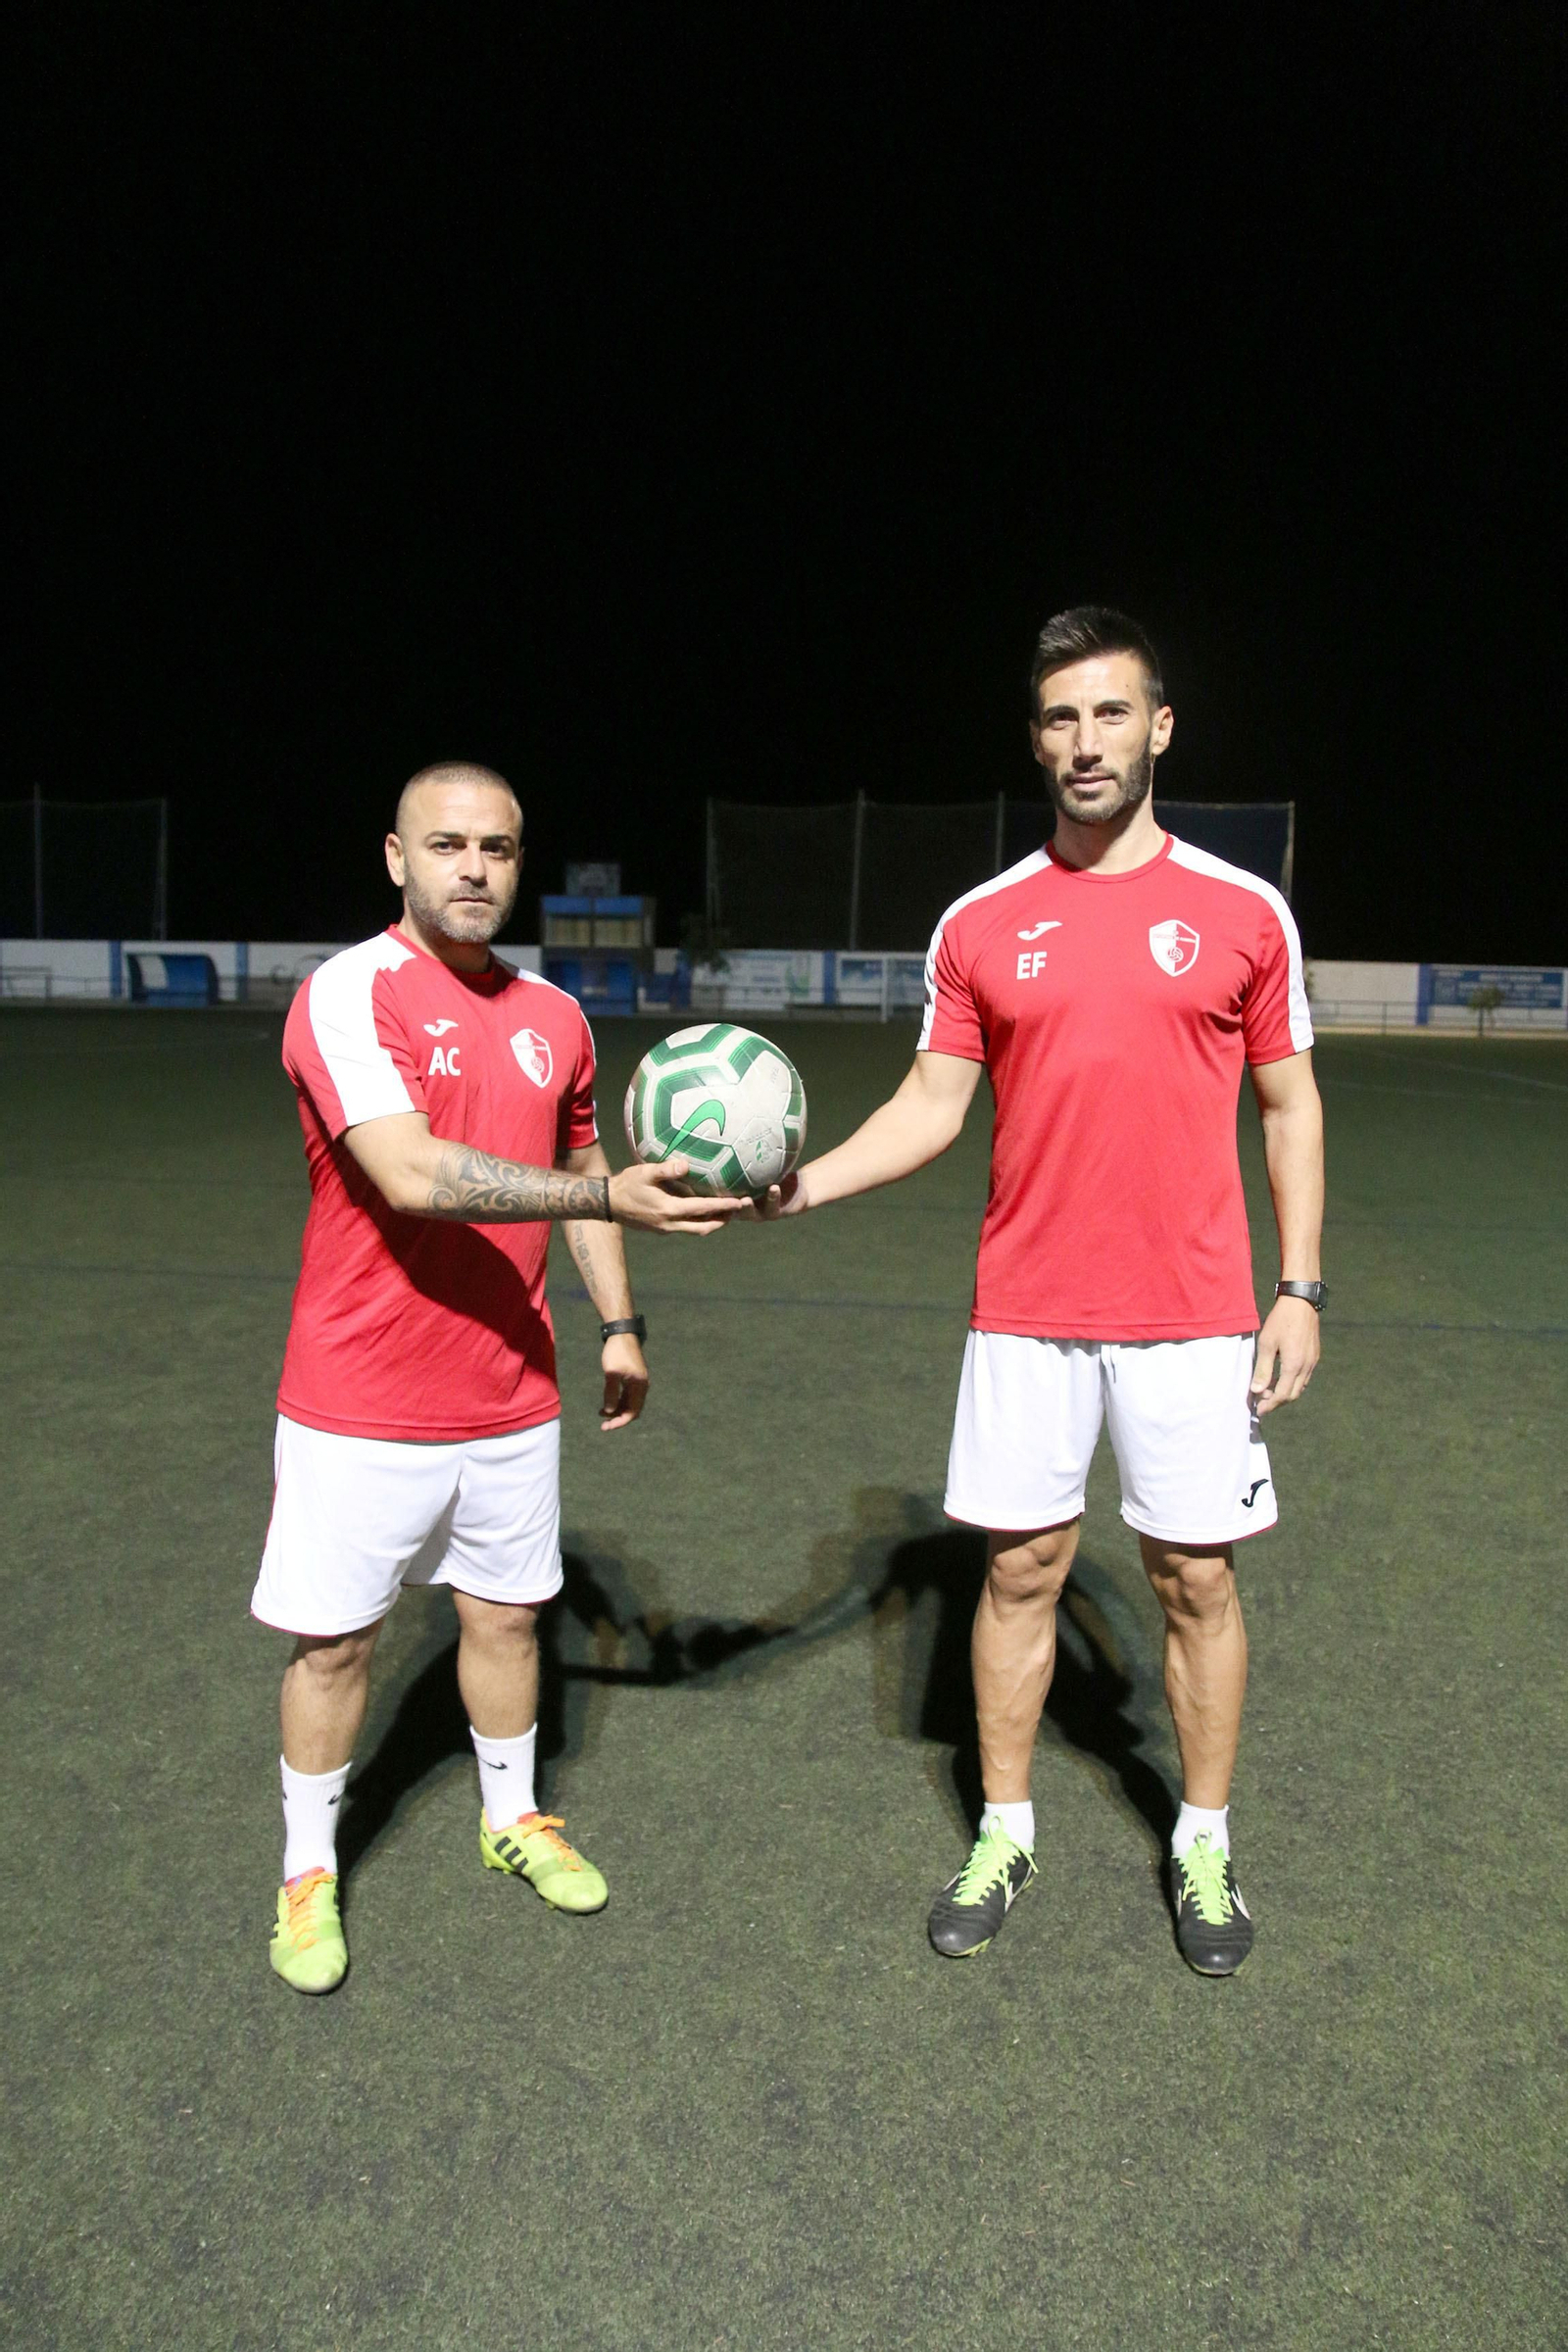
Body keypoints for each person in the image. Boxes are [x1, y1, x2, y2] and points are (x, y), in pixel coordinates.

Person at [755, 608, 1323, 1974]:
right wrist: (799, 1187)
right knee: (1018, 1571)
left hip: (1195, 1314)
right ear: (1036, 739)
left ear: (1159, 728)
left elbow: (1290, 1104)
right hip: (1026, 1309)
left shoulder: (1245, 914)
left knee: (1196, 1580)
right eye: (1062, 719)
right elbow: (928, 1107)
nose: (1086, 742)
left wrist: (1298, 1286)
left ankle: (1202, 1842)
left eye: (1111, 714)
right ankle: (1003, 1828)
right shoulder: (982, 922)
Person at [254, 761, 738, 1993]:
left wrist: (620, 1321)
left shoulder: (556, 1018)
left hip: (511, 1395)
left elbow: (577, 1164)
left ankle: (511, 1816)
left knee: (508, 1617)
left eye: (499, 849)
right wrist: (598, 1189)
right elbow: (412, 1175)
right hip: (361, 1396)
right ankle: (308, 1871)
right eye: (448, 845)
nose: (474, 869)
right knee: (333, 1650)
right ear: (395, 857)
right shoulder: (348, 994)